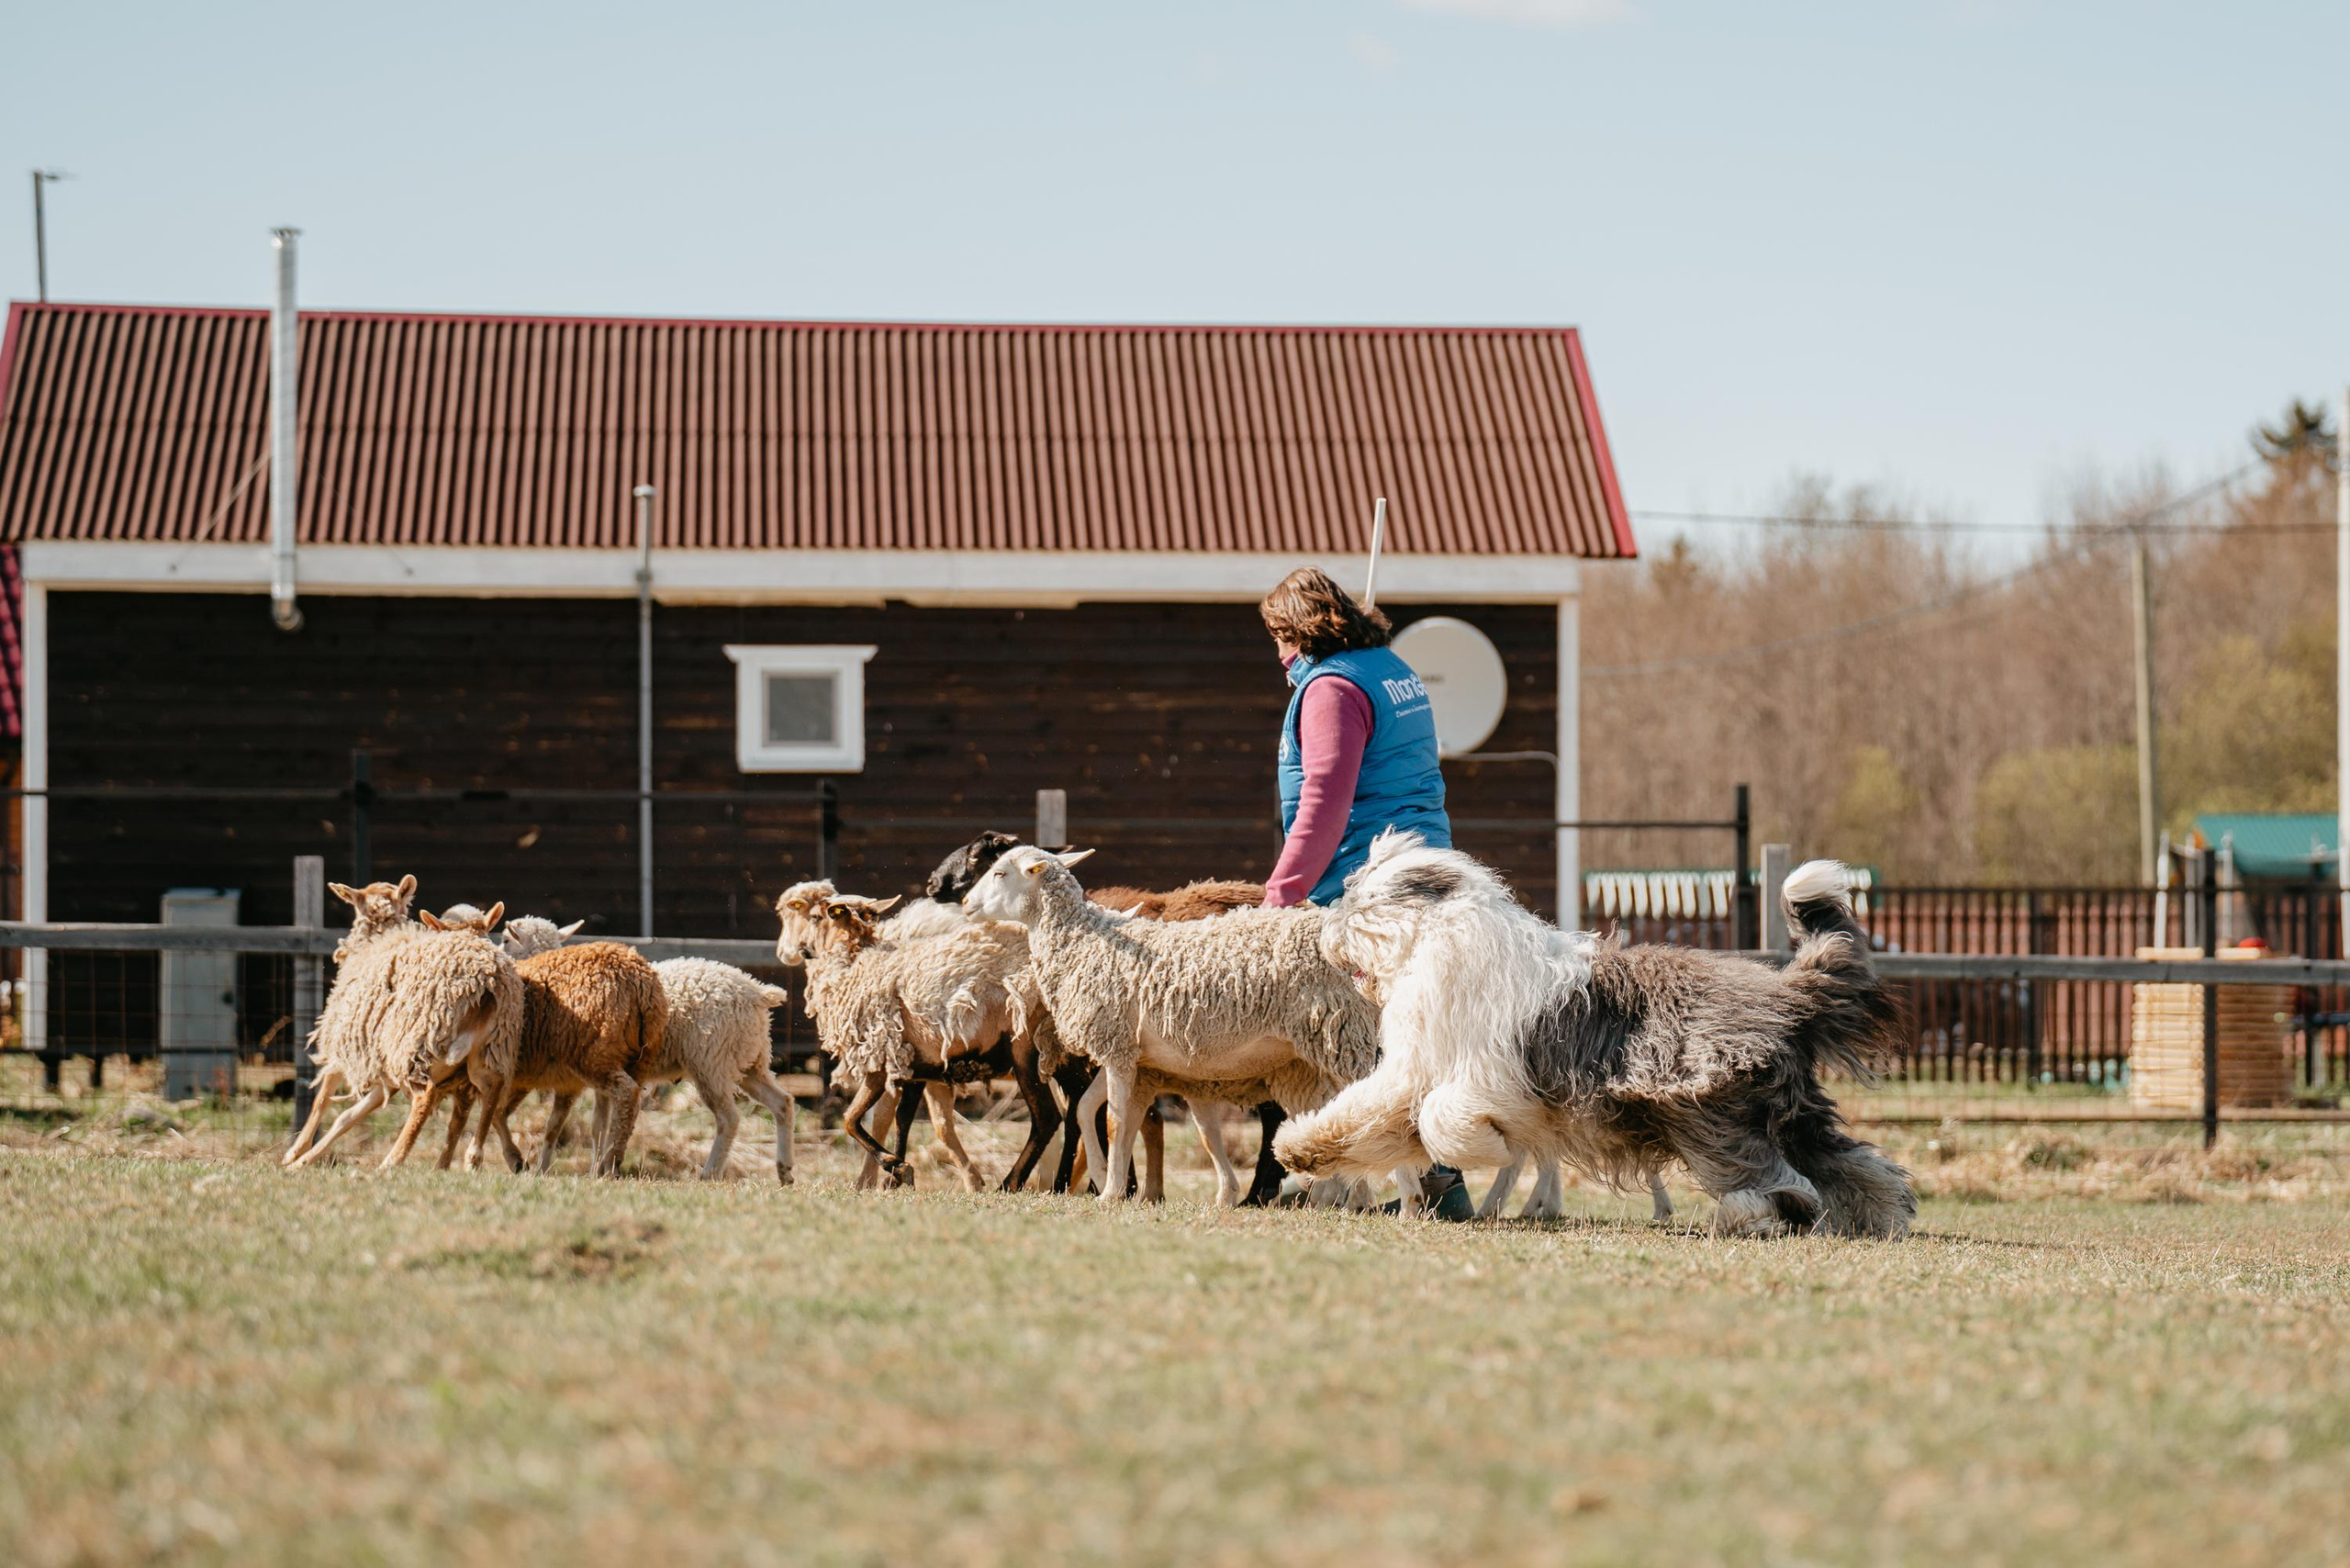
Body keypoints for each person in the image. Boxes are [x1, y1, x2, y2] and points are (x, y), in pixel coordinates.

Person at [1257, 566, 1472, 1219]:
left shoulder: (1332, 689)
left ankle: (1429, 1186)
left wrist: (1281, 893)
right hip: (1424, 862)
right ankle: (1403, 1180)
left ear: (1298, 630)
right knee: (1410, 1030)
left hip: (1366, 879)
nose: (1275, 652)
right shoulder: (1391, 669)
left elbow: (1324, 798)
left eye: (1276, 636)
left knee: (1377, 1036)